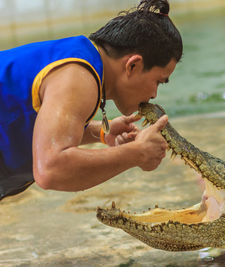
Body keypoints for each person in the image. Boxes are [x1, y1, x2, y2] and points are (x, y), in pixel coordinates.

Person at [0, 0, 183, 200]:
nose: (154, 94)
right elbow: (51, 169)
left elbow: (36, 128)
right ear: (133, 65)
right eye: (158, 81)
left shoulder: (80, 59)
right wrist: (138, 153)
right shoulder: (78, 76)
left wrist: (101, 132)